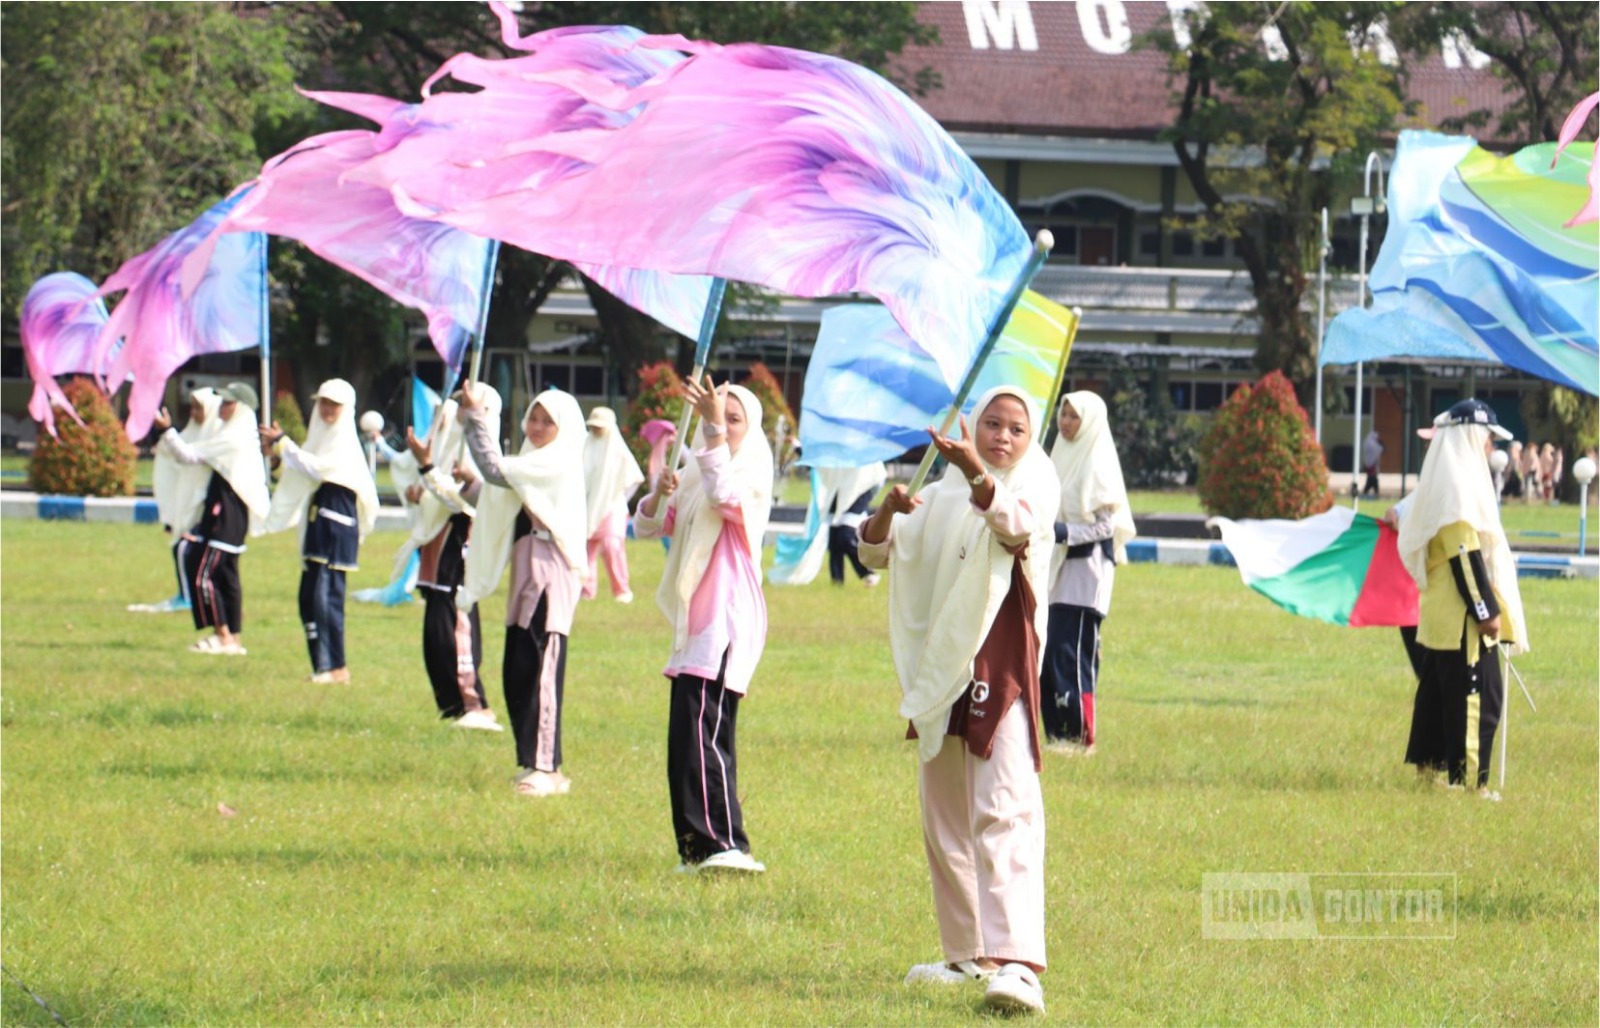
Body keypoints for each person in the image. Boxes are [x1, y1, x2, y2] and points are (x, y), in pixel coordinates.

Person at [858, 386, 1060, 1015]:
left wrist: (976, 467)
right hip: (942, 669)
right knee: (943, 815)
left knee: (1005, 810)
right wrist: (889, 512)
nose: (1002, 437)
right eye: (991, 424)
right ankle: (968, 954)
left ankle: (1019, 962)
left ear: (1032, 439)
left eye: (1016, 428)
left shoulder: (1034, 483)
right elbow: (874, 552)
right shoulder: (942, 494)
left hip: (1001, 671)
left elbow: (1015, 526)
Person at [633, 376, 773, 874]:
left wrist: (711, 431)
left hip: (726, 620)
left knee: (706, 731)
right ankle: (696, 847)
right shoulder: (696, 470)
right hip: (696, 624)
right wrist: (657, 493)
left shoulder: (751, 473)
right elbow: (649, 526)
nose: (724, 427)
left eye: (733, 420)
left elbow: (726, 496)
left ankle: (724, 843)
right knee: (685, 739)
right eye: (719, 417)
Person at [458, 383, 588, 798]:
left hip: (551, 568)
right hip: (527, 567)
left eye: (547, 421)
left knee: (541, 664)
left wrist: (476, 417)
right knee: (517, 666)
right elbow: (502, 494)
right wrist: (468, 485)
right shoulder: (535, 462)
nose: (536, 426)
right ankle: (532, 758)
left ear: (563, 427)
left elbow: (498, 471)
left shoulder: (559, 460)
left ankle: (547, 767)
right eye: (533, 417)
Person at [1397, 399, 1528, 800]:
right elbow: (1465, 557)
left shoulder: (1445, 482)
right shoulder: (1456, 487)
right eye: (1486, 438)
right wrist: (1486, 612)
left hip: (1440, 617)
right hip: (1462, 619)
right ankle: (1472, 783)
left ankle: (1429, 770)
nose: (1489, 447)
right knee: (1478, 697)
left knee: (1437, 696)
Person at [259, 379, 379, 684]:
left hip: (336, 526)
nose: (327, 410)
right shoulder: (319, 439)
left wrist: (285, 444)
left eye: (334, 404)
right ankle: (321, 665)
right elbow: (301, 472)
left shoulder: (345, 444)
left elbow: (319, 469)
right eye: (323, 402)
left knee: (326, 597)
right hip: (317, 523)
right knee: (308, 597)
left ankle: (335, 666)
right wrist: (276, 456)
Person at [1040, 391, 1136, 755]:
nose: (1066, 423)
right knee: (1047, 653)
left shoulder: (1098, 459)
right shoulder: (1059, 455)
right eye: (1063, 415)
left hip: (1086, 573)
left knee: (1071, 651)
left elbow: (1104, 525)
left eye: (1073, 417)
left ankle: (1081, 737)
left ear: (1090, 421)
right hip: (1056, 569)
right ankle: (1056, 735)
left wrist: (1062, 532)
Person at [403, 395, 501, 732]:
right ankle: (450, 705)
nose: (460, 411)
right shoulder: (450, 448)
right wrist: (423, 484)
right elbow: (439, 493)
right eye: (459, 403)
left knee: (455, 629)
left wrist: (428, 469)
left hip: (460, 547)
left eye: (468, 404)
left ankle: (475, 704)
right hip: (436, 550)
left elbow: (461, 500)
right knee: (434, 633)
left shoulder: (487, 460)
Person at [152, 383, 271, 656]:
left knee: (202, 574)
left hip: (226, 518)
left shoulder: (234, 438)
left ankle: (223, 635)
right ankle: (233, 639)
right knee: (227, 577)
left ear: (240, 408)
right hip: (230, 517)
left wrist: (166, 430)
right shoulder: (234, 434)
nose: (222, 407)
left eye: (228, 403)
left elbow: (188, 455)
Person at [137, 387, 221, 614]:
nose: (194, 413)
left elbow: (187, 456)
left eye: (199, 408)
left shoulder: (216, 438)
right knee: (179, 545)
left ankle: (189, 597)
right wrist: (162, 430)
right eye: (192, 407)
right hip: (187, 499)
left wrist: (167, 430)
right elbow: (172, 452)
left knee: (185, 548)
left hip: (205, 505)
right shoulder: (192, 433)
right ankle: (185, 594)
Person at [581, 406, 645, 603]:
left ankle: (621, 590)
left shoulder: (618, 451)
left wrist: (619, 499)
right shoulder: (585, 446)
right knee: (588, 549)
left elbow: (634, 478)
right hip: (589, 507)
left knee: (612, 547)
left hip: (612, 508)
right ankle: (586, 590)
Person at [822, 463, 886, 586]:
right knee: (834, 544)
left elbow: (878, 477)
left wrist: (868, 495)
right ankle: (837, 582)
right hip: (837, 497)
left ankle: (868, 571)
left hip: (856, 499)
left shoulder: (869, 458)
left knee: (845, 538)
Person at [1361, 429, 1384, 498]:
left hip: (1369, 463)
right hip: (1372, 464)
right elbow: (1380, 449)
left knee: (1371, 478)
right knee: (1372, 478)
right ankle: (1373, 491)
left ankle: (1368, 491)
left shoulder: (1367, 442)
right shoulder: (1371, 443)